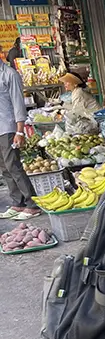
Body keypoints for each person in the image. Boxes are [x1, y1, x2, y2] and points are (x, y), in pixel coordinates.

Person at [0, 58, 39, 221]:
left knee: (13, 165)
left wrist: (20, 131)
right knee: (4, 168)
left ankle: (32, 204)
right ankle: (18, 202)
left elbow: (18, 103)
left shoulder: (9, 74)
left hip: (8, 127)